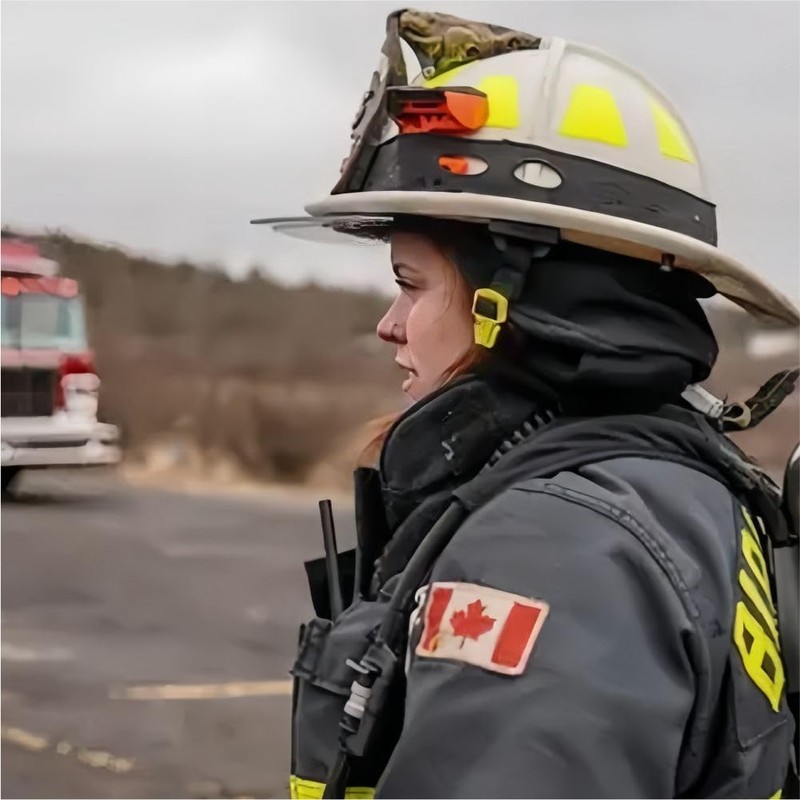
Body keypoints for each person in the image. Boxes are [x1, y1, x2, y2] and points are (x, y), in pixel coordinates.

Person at [253, 9, 799, 798]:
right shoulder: (679, 485)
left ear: (513, 303)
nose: (389, 325)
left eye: (411, 283)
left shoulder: (552, 546)